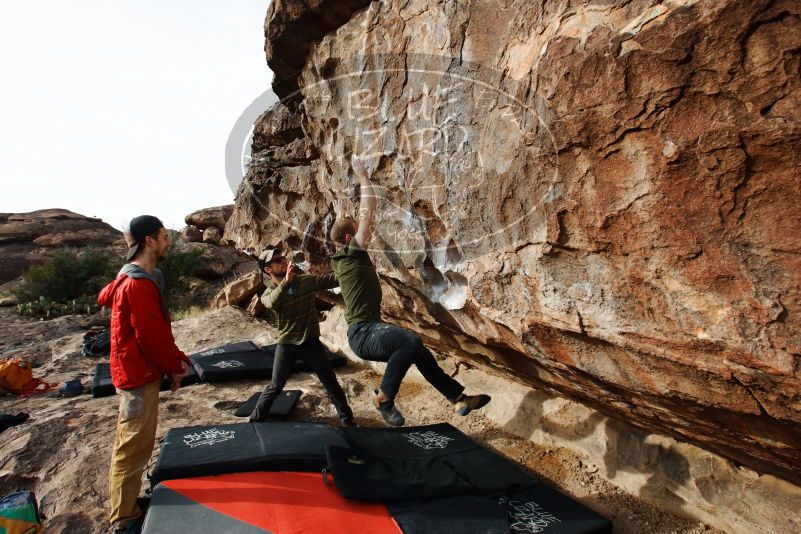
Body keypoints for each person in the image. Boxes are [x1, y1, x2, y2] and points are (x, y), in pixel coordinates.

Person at [330, 156, 490, 427]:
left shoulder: (344, 256)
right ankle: (384, 398)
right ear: (349, 240)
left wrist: (340, 215)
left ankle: (458, 398)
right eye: (356, 233)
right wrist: (364, 179)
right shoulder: (352, 254)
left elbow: (343, 231)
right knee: (410, 341)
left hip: (366, 333)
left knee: (420, 353)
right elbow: (369, 211)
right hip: (363, 333)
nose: (363, 234)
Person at [98, 215, 190, 534]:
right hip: (137, 376)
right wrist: (175, 367)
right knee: (133, 445)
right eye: (164, 236)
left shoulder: (138, 277)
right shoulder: (137, 284)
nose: (168, 241)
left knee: (137, 442)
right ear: (149, 240)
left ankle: (128, 507)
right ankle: (123, 518)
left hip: (137, 371)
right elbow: (150, 336)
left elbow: (156, 330)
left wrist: (175, 359)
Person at [249, 245, 355, 427]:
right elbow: (272, 303)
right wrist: (286, 283)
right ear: (268, 269)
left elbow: (332, 280)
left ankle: (348, 422)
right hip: (287, 345)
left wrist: (352, 263)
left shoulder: (305, 281)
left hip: (310, 343)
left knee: (331, 384)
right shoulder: (268, 293)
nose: (283, 261)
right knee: (275, 386)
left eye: (282, 257)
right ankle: (254, 423)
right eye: (277, 260)